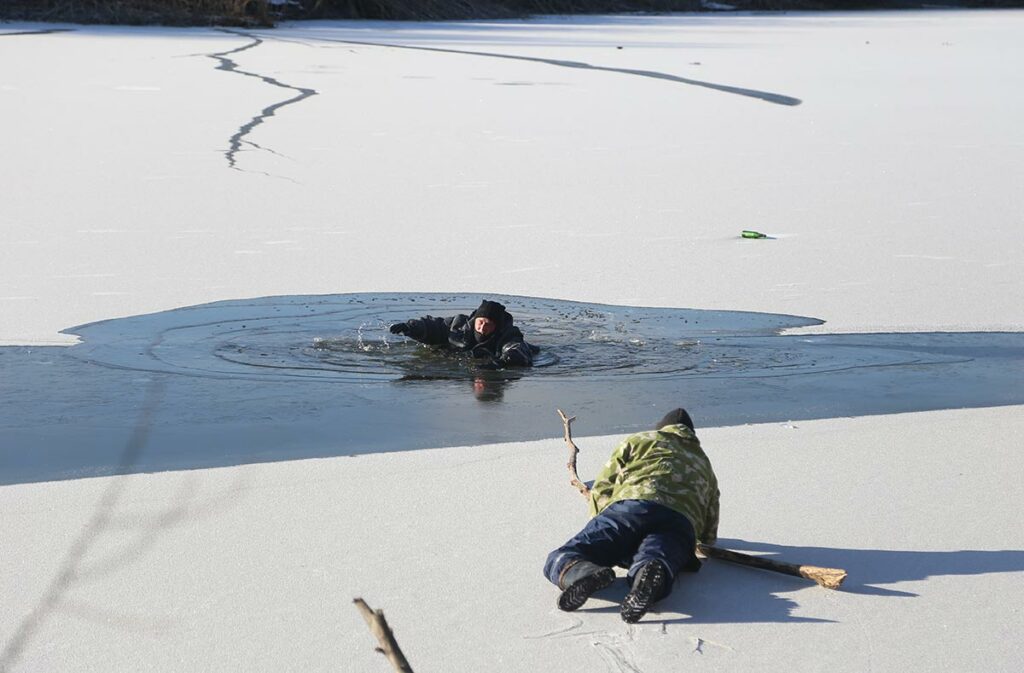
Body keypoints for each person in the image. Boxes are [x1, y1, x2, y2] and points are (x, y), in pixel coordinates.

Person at [543, 408, 720, 623]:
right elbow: (710, 522)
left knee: (564, 556)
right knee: (660, 553)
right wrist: (700, 541)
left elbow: (604, 484)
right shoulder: (703, 461)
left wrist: (599, 517)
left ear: (661, 427)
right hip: (680, 522)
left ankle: (581, 571)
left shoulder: (640, 440)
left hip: (633, 507)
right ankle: (649, 572)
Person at [389, 299, 536, 367]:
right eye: (480, 322)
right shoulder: (459, 325)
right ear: (475, 320)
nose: (482, 327)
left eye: (488, 324)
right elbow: (435, 326)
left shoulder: (508, 335)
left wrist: (501, 362)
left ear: (496, 326)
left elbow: (515, 349)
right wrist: (410, 328)